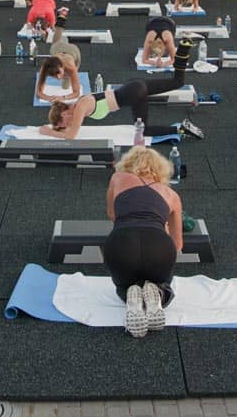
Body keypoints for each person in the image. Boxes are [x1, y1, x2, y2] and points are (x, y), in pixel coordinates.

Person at [39, 40, 203, 141]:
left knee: (144, 130)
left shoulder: (80, 108)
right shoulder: (78, 104)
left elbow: (70, 136)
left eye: (63, 123)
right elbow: (69, 128)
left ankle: (180, 129)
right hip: (134, 87)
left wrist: (48, 132)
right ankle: (183, 49)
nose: (67, 125)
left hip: (133, 92)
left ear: (64, 114)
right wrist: (58, 124)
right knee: (178, 81)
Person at [104, 146, 184, 337]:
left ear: (128, 163)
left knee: (123, 285)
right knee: (163, 283)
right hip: (158, 245)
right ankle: (158, 293)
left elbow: (112, 215)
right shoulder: (172, 196)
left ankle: (129, 293)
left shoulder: (118, 178)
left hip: (121, 243)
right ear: (160, 169)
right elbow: (178, 245)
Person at [35, 7, 82, 104]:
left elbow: (76, 93)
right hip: (58, 49)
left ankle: (62, 21)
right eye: (56, 77)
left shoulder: (70, 67)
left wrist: (63, 98)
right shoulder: (45, 67)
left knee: (65, 86)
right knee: (56, 42)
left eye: (60, 74)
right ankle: (61, 17)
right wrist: (49, 98)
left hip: (73, 52)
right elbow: (38, 92)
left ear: (61, 67)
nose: (59, 78)